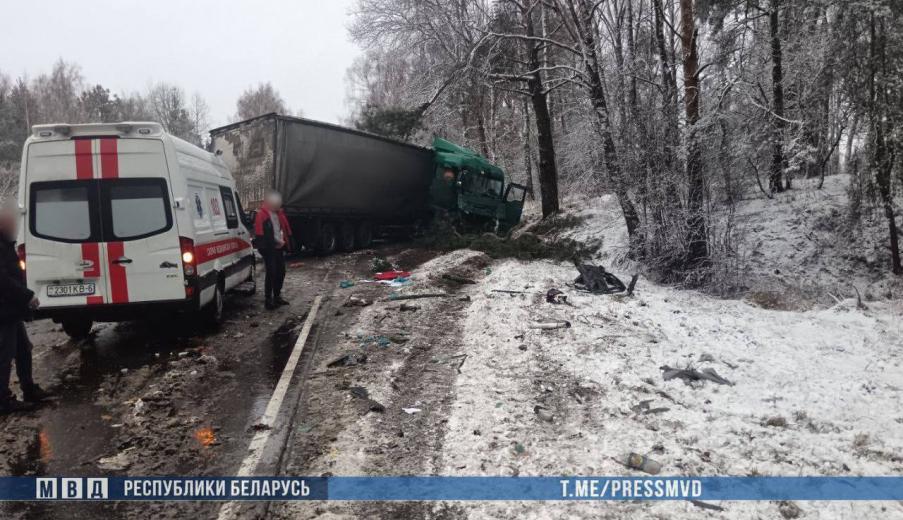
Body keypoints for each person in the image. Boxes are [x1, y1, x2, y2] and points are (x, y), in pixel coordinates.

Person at [0, 203, 50, 414]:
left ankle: (29, 388)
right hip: (3, 313)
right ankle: (3, 401)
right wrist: (27, 296)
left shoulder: (6, 243)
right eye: (10, 221)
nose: (15, 225)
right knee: (5, 355)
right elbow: (3, 280)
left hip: (11, 310)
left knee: (23, 349)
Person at [253, 190, 293, 310]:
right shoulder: (262, 214)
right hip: (269, 248)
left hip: (279, 247)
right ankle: (268, 300)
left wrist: (288, 244)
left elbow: (285, 229)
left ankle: (276, 296)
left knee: (281, 272)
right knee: (271, 273)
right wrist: (264, 248)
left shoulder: (279, 214)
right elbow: (259, 233)